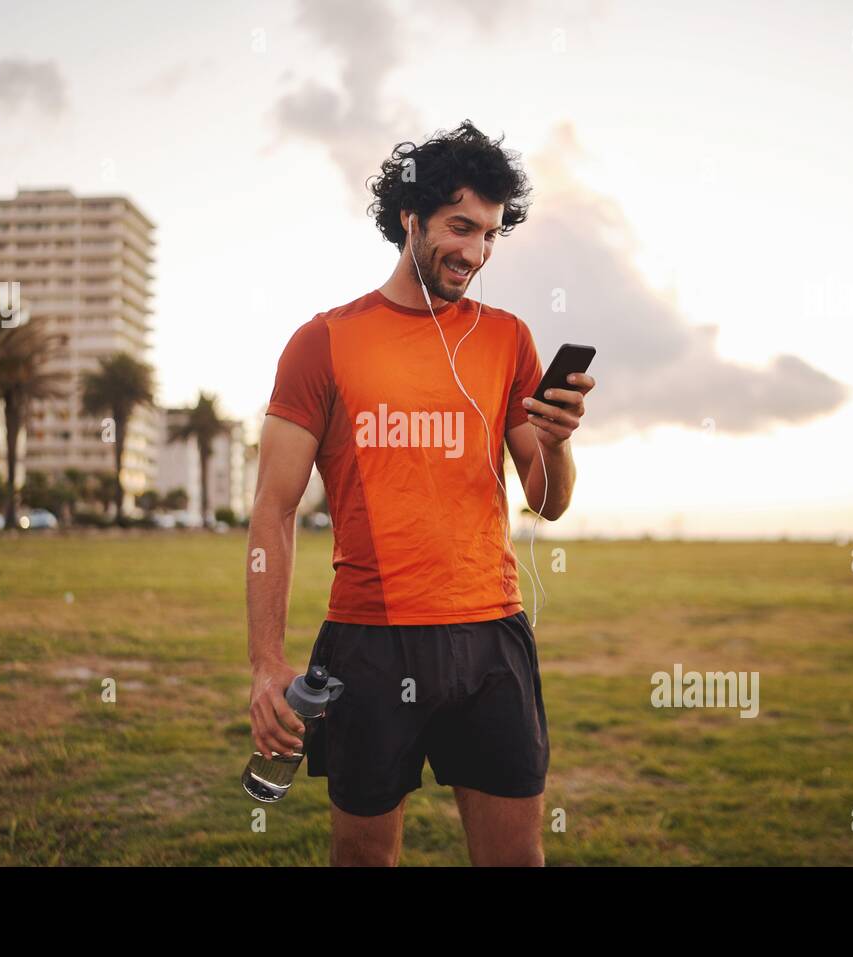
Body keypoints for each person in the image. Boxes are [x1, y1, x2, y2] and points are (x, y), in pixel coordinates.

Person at [247, 120, 595, 866]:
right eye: (460, 226)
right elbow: (272, 509)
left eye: (492, 235)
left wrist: (559, 443)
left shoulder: (509, 339)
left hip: (491, 638)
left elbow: (548, 498)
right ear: (410, 218)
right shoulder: (325, 341)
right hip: (370, 642)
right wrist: (266, 662)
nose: (475, 252)